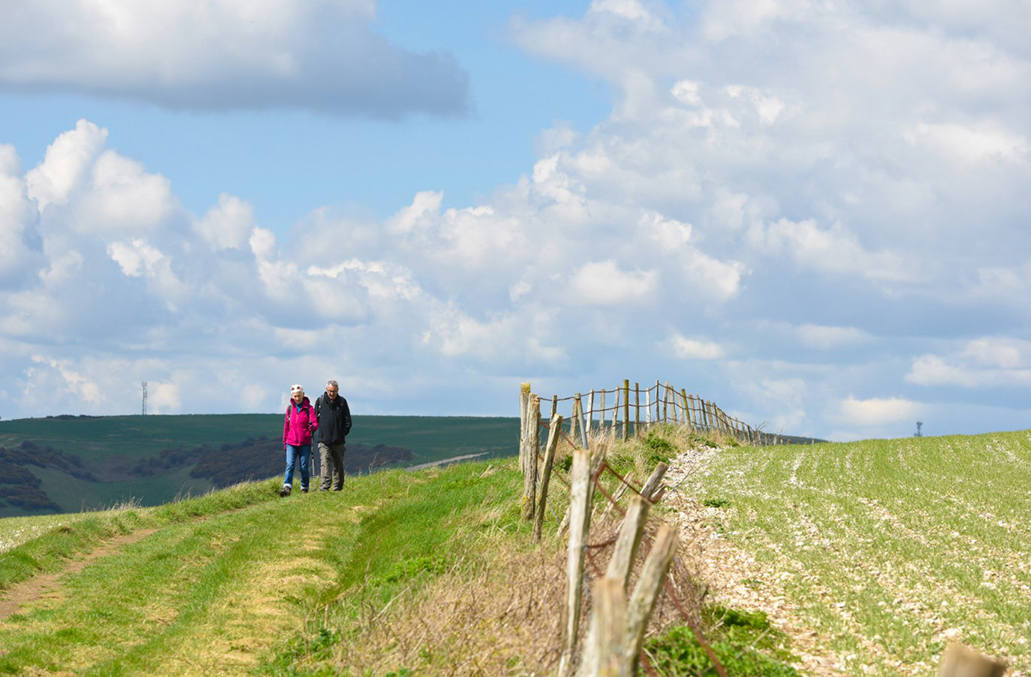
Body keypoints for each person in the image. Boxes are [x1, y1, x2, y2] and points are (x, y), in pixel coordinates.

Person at [281, 384, 318, 497]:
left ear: (303, 394)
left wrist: (312, 427)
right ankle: (287, 487)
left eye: (299, 396)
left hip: (305, 443)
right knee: (290, 465)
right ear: (292, 396)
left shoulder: (309, 408)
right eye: (295, 396)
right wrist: (285, 442)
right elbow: (286, 427)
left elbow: (315, 423)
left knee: (303, 466)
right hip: (291, 442)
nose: (297, 398)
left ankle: (304, 487)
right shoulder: (290, 409)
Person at [315, 379, 351, 491]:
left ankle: (338, 487)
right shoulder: (320, 401)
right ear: (326, 390)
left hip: (338, 440)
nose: (332, 393)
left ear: (337, 390)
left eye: (334, 391)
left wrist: (341, 433)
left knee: (338, 464)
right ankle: (325, 487)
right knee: (325, 462)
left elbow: (348, 421)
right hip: (324, 440)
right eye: (330, 391)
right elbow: (315, 419)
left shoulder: (342, 402)